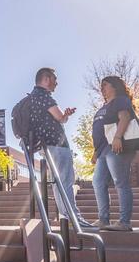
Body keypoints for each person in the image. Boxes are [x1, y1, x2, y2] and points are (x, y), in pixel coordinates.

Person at [28, 67, 92, 228]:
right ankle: (74, 218)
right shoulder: (45, 97)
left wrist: (66, 115)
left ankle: (68, 217)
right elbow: (59, 118)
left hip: (45, 145)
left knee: (59, 182)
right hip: (56, 144)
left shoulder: (33, 98)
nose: (57, 83)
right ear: (46, 79)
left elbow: (60, 118)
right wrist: (65, 116)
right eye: (54, 79)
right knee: (65, 182)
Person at [91, 76, 136, 231]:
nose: (102, 88)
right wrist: (96, 152)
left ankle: (124, 222)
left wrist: (117, 137)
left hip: (117, 146)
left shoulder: (120, 100)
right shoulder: (104, 106)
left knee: (120, 182)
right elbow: (102, 131)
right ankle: (103, 220)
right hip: (103, 149)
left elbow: (125, 117)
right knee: (97, 182)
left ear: (115, 86)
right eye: (101, 86)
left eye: (105, 85)